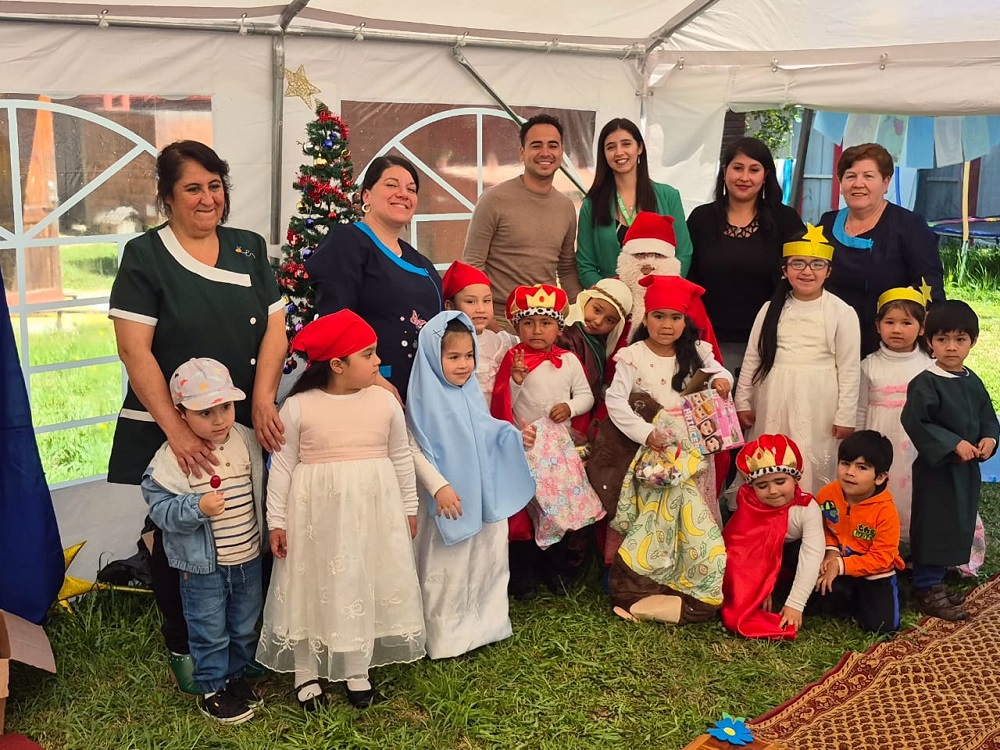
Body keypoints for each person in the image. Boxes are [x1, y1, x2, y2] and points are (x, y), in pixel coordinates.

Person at [108, 140, 286, 693]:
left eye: (215, 185)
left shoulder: (250, 249)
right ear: (166, 197)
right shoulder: (146, 255)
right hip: (173, 423)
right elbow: (135, 349)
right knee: (178, 534)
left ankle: (239, 642)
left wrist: (261, 399)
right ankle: (185, 644)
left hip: (240, 419)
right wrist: (178, 429)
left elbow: (275, 332)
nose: (208, 198)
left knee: (242, 523)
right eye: (193, 187)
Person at [256, 311, 425, 710]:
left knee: (360, 580)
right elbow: (281, 466)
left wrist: (408, 507)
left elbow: (401, 456)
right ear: (337, 365)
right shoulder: (299, 407)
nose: (376, 362)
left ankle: (356, 667)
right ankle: (305, 671)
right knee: (311, 585)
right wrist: (277, 520)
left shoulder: (385, 402)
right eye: (367, 355)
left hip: (372, 515)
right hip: (316, 517)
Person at [406, 311, 536, 658]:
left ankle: (487, 625)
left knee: (486, 561)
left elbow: (485, 429)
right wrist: (438, 486)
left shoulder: (469, 393)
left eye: (468, 356)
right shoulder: (421, 400)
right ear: (434, 357)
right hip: (448, 500)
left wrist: (515, 437)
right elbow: (413, 448)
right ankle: (445, 636)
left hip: (481, 494)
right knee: (448, 570)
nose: (463, 365)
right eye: (453, 357)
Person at [142, 358, 265, 724]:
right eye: (205, 413)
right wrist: (197, 506)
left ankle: (236, 675)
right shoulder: (174, 456)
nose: (219, 420)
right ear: (181, 415)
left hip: (248, 557)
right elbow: (160, 509)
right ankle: (212, 688)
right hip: (202, 568)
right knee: (209, 629)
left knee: (244, 624)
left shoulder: (244, 439)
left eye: (225, 407)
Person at [605, 275, 731, 624]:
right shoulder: (632, 356)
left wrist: (722, 380)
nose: (667, 325)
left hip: (691, 453)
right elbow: (616, 402)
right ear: (645, 319)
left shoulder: (698, 352)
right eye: (659, 316)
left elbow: (722, 375)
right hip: (652, 453)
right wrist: (646, 434)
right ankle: (642, 579)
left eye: (675, 318)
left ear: (685, 321)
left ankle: (687, 576)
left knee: (691, 515)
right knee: (651, 516)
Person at [491, 284, 602, 599]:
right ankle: (523, 575)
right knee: (525, 512)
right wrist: (515, 381)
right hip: (525, 447)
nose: (537, 330)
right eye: (528, 323)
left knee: (558, 509)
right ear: (517, 326)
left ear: (559, 327)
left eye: (546, 323)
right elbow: (503, 404)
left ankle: (557, 569)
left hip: (559, 452)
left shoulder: (567, 361)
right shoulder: (514, 359)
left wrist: (570, 407)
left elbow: (586, 396)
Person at [735, 225, 861, 495]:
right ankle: (767, 507)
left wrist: (846, 415)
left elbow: (850, 368)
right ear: (784, 270)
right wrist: (742, 400)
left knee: (812, 449)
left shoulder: (842, 312)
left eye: (817, 264)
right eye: (798, 264)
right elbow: (753, 358)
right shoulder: (769, 309)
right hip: (773, 397)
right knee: (772, 451)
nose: (807, 271)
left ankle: (810, 506)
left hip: (819, 401)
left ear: (828, 271)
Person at [305, 155, 442, 401]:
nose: (403, 193)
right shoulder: (348, 242)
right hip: (367, 392)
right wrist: (376, 380)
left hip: (423, 395)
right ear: (366, 195)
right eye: (391, 185)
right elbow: (337, 318)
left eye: (411, 189)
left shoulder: (422, 263)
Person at [901, 300, 999, 621]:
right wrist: (952, 443)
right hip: (937, 469)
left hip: (966, 471)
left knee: (957, 521)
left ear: (973, 341)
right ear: (930, 342)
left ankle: (938, 579)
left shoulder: (972, 381)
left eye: (960, 340)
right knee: (934, 523)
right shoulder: (926, 381)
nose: (951, 347)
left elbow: (987, 417)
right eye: (942, 340)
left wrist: (989, 438)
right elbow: (916, 421)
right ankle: (927, 586)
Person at [687, 137, 806, 371]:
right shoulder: (701, 219)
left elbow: (800, 277)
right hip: (708, 342)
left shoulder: (786, 220)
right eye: (737, 168)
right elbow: (689, 277)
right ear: (724, 171)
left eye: (754, 170)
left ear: (766, 176)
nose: (744, 177)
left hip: (769, 340)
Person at [819, 142, 945, 357]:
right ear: (841, 183)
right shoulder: (827, 223)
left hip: (889, 347)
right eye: (850, 176)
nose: (858, 184)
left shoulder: (909, 225)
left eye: (868, 176)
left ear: (886, 183)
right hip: (831, 341)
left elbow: (930, 282)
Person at [462, 114, 582, 328]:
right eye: (536, 145)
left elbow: (566, 269)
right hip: (499, 320)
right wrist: (491, 325)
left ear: (561, 153)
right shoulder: (494, 199)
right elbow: (472, 266)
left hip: (545, 322)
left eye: (552, 145)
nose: (545, 153)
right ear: (522, 152)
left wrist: (580, 314)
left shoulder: (565, 207)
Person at [721, 434, 823, 641]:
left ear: (795, 479)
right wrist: (759, 585)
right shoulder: (750, 505)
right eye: (762, 486)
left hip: (790, 555)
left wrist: (795, 604)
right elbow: (742, 549)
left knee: (822, 601)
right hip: (759, 558)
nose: (773, 491)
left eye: (780, 481)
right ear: (752, 488)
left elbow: (812, 554)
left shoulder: (806, 507)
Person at [576, 117, 693, 287]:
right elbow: (585, 265)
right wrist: (611, 298)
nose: (619, 152)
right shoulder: (592, 204)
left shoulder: (668, 196)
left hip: (660, 303)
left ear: (639, 148)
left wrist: (661, 293)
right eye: (611, 147)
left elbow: (684, 254)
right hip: (612, 305)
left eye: (626, 144)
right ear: (604, 154)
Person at [856, 287, 933, 542]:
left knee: (914, 490)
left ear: (922, 327)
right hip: (880, 437)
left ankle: (916, 542)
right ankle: (876, 543)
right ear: (878, 326)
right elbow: (860, 408)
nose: (897, 329)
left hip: (915, 444)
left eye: (906, 323)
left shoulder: (929, 366)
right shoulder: (868, 365)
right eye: (890, 322)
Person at [815, 431, 904, 633]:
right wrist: (831, 551)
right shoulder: (827, 494)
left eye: (861, 467)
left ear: (880, 477)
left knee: (882, 627)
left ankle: (891, 595)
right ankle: (847, 598)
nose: (850, 472)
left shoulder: (885, 511)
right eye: (845, 463)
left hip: (874, 571)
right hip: (838, 560)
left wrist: (840, 565)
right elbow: (823, 528)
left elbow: (882, 558)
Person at [441, 260, 519, 403]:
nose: (481, 309)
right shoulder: (443, 343)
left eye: (487, 301)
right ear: (450, 306)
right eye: (471, 302)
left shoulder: (504, 342)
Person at [557, 278, 633, 416]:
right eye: (597, 310)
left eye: (609, 320)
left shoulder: (600, 342)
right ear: (586, 300)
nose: (598, 321)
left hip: (581, 409)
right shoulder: (564, 333)